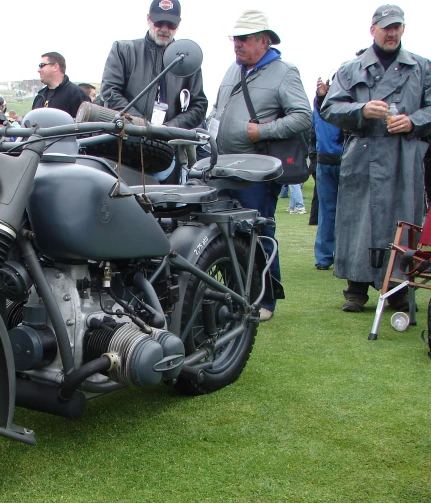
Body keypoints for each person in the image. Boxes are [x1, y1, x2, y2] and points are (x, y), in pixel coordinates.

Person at [321, 4, 431, 313]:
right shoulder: (349, 68)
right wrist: (361, 110)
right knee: (357, 220)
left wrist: (414, 121)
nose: (392, 32)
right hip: (362, 155)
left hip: (404, 157)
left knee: (402, 220)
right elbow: (329, 108)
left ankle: (397, 287)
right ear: (373, 30)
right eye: (387, 27)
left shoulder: (423, 67)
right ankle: (355, 287)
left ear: (403, 29)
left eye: (398, 26)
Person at [210, 10, 311, 321]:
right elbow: (218, 110)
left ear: (264, 41)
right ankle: (237, 294)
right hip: (224, 166)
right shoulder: (233, 69)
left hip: (256, 170)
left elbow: (302, 116)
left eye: (244, 38)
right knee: (226, 235)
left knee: (258, 232)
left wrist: (263, 131)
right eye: (235, 38)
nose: (237, 44)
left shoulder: (284, 72)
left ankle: (265, 300)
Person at [98, 0, 207, 179]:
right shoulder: (124, 50)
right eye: (159, 22)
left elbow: (199, 105)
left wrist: (168, 129)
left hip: (168, 151)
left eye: (171, 24)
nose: (164, 28)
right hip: (125, 148)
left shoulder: (188, 61)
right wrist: (142, 126)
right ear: (148, 20)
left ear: (178, 25)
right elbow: (110, 92)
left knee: (168, 205)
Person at [312, 74, 344, 270]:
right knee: (343, 213)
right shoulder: (341, 106)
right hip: (338, 160)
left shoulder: (320, 105)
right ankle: (336, 257)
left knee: (327, 212)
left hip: (324, 160)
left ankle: (324, 257)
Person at [32, 52, 89, 118]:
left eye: (42, 65)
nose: (38, 70)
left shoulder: (76, 94)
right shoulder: (39, 97)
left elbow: (86, 125)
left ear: (55, 67)